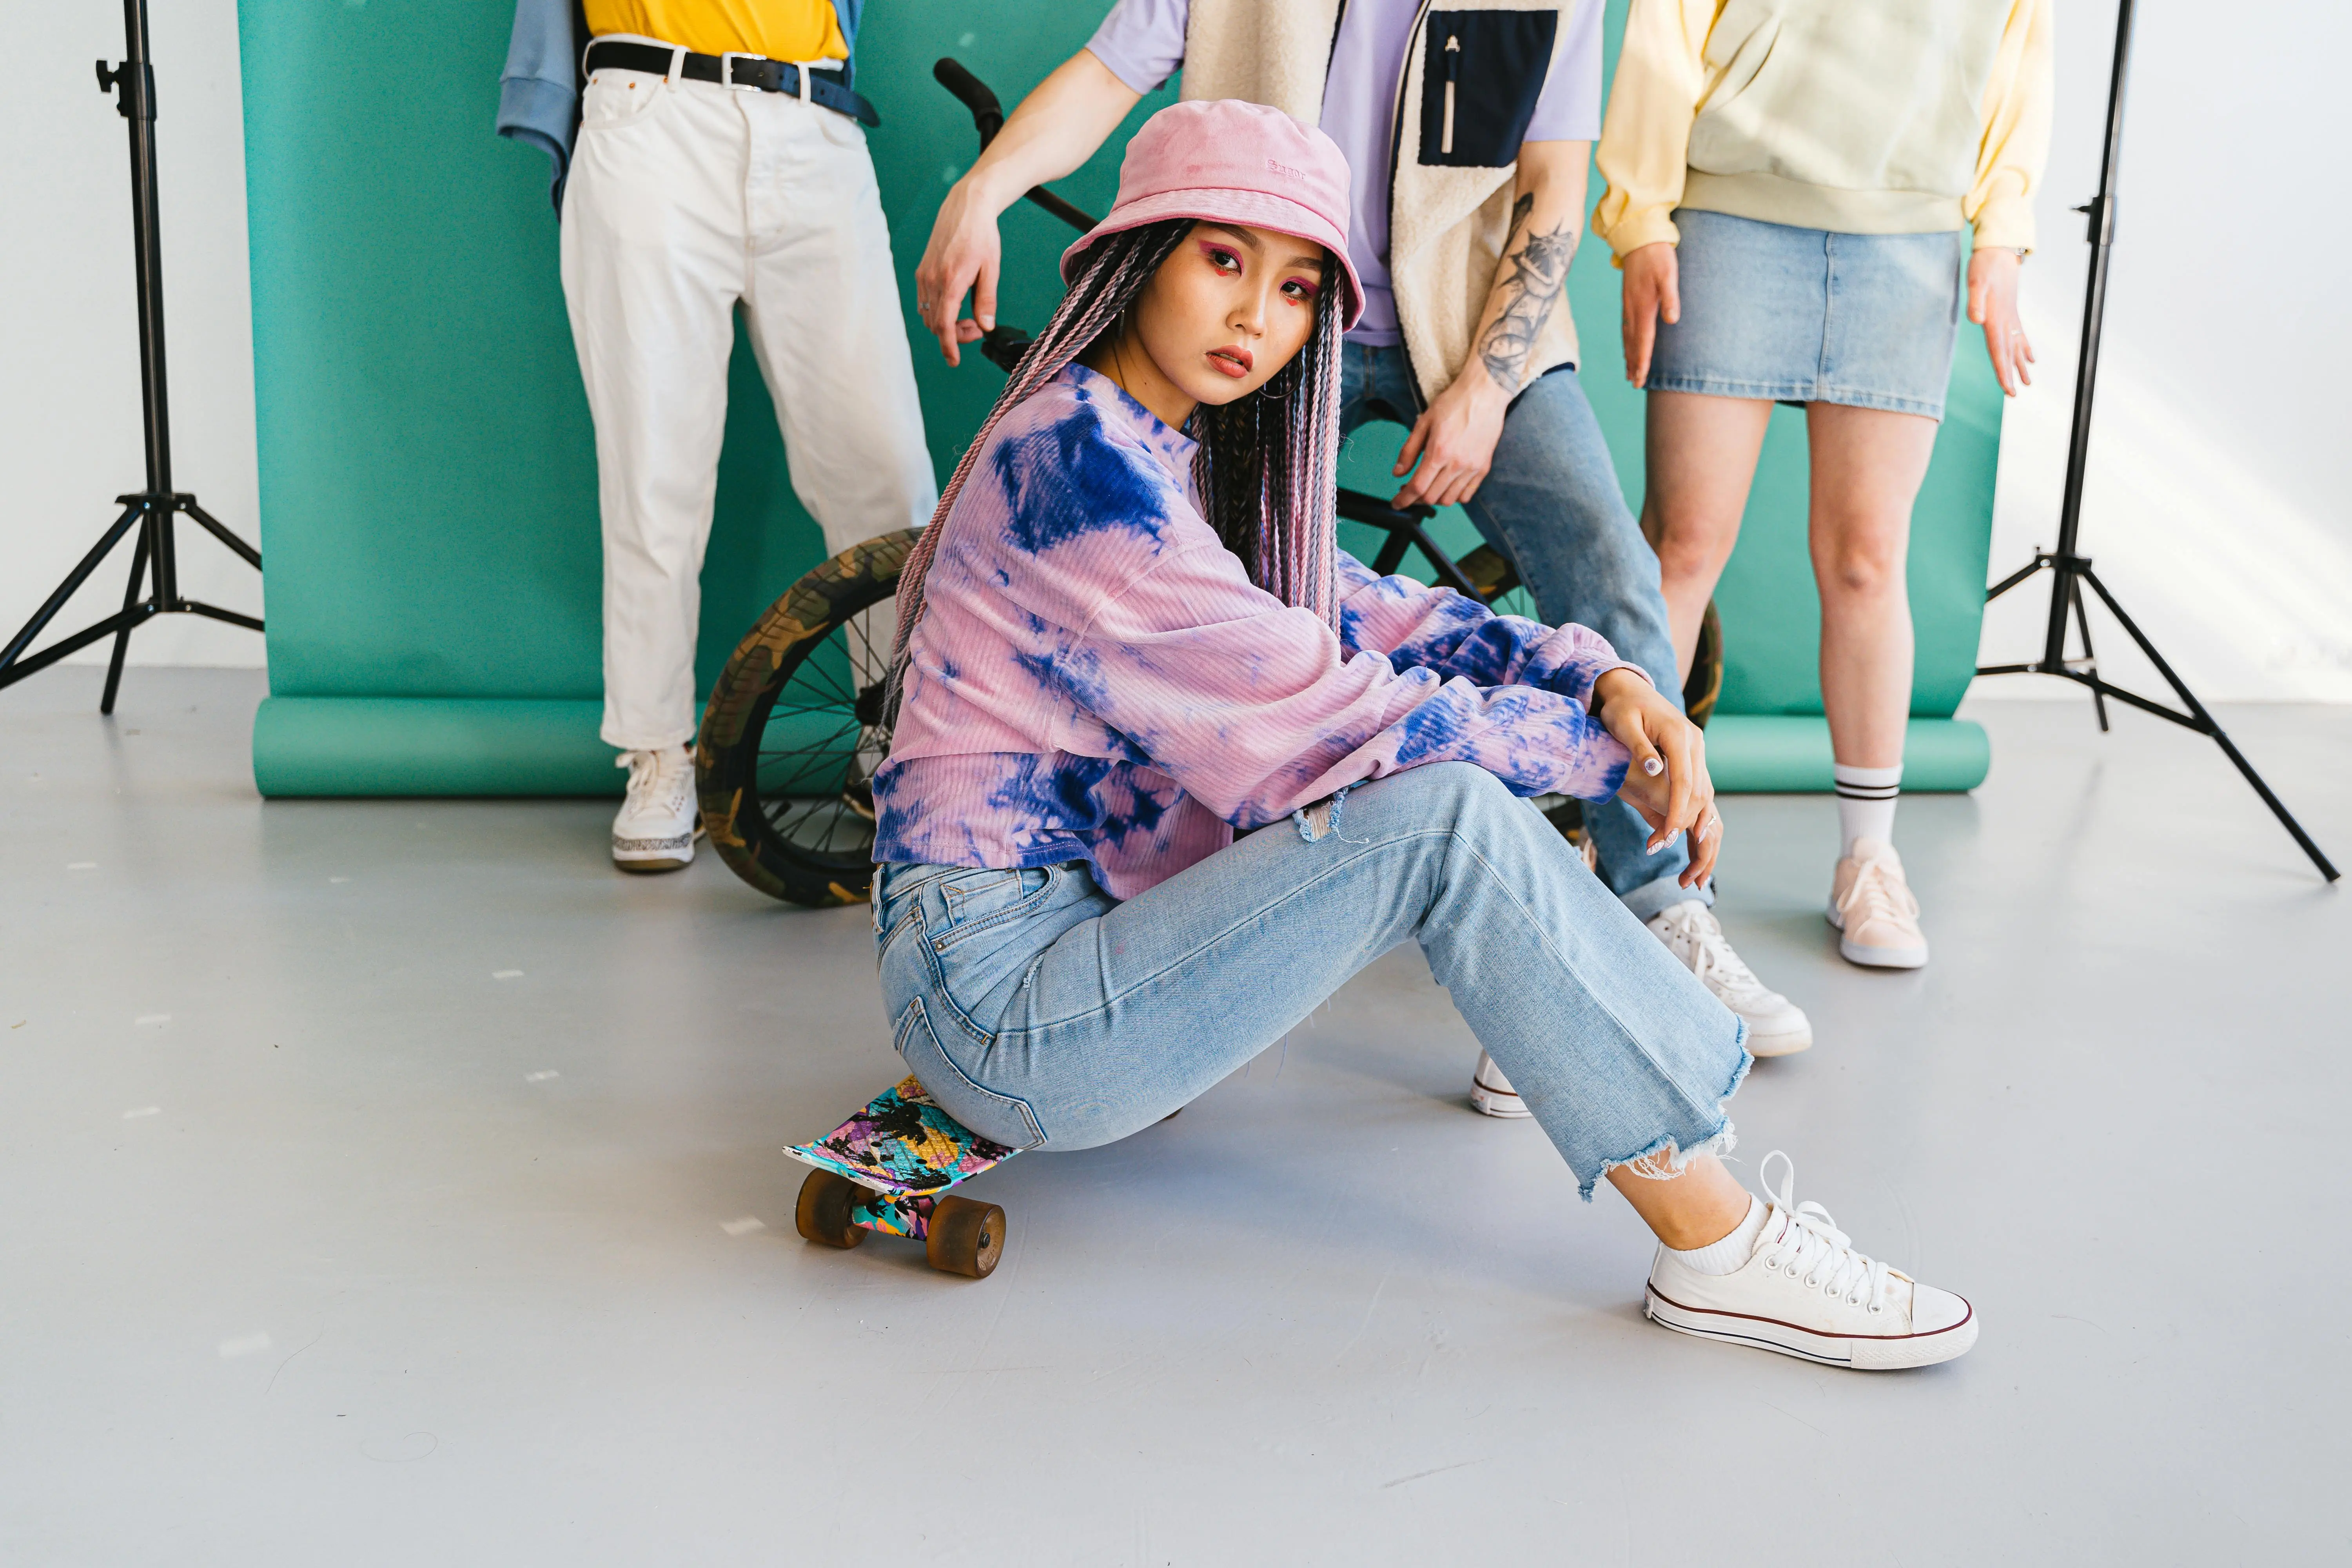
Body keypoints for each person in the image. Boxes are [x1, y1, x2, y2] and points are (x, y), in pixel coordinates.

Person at [873, 98, 1979, 1370]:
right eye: (1222, 260)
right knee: (1441, 815)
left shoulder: (1147, 448)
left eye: (1295, 288)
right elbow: (1327, 712)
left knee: (1451, 784)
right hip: (999, 1010)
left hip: (1076, 934)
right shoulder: (1079, 479)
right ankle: (1716, 1244)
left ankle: (1577, 1048)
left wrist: (1598, 672)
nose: (1257, 318)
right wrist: (1604, 756)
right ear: (1143, 256)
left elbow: (1363, 606)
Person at [915, 0, 1817, 1089]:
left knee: (1612, 565)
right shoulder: (1082, 456)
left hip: (1466, 326)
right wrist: (983, 189)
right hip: (1292, 323)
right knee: (1263, 617)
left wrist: (1487, 390)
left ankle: (1663, 906)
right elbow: (1107, 76)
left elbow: (1554, 189)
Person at [1596, 0, 2053, 968]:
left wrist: (2004, 228)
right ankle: (1636, 865)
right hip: (1730, 214)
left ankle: (1870, 862)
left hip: (1912, 236)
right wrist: (1640, 219)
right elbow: (1667, 24)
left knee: (1865, 560)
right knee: (1680, 546)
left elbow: (2019, 42)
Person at [499, 0, 935, 872]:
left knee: (884, 470)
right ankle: (656, 753)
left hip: (814, 121)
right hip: (652, 104)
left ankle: (899, 743)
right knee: (652, 471)